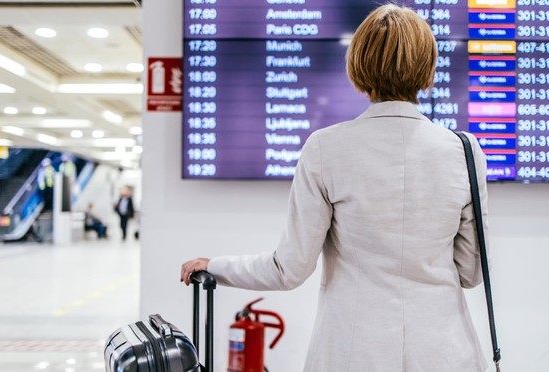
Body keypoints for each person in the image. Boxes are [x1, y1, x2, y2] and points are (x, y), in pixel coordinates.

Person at [181, 4, 489, 372]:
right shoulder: (464, 151)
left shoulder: (326, 148)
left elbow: (288, 269)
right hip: (446, 354)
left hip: (351, 353)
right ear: (428, 67)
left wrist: (215, 267)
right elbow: (471, 273)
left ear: (358, 65)